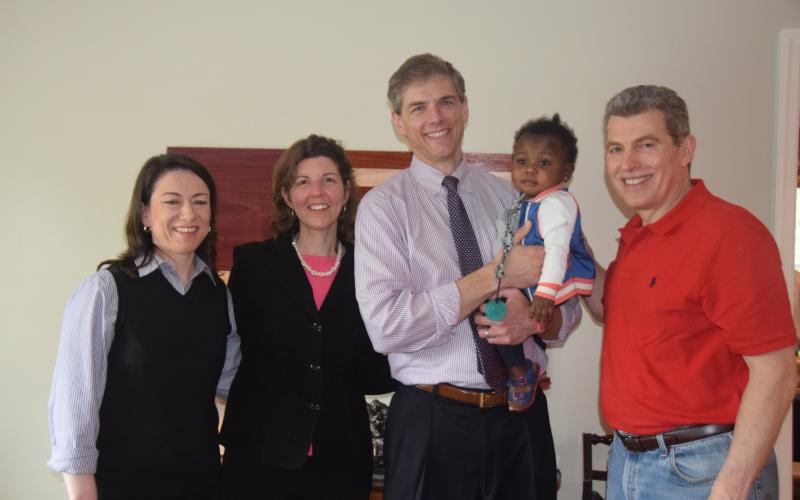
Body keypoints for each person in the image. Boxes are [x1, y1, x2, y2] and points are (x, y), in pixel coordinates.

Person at [355, 53, 582, 500]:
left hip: (522, 416)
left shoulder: (514, 197)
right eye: (418, 108)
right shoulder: (382, 209)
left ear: (465, 107)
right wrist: (494, 276)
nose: (436, 117)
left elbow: (568, 307)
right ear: (398, 122)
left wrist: (538, 320)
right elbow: (386, 327)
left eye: (446, 101)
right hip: (432, 421)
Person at [582, 85, 797, 499]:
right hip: (629, 461)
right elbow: (618, 312)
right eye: (615, 149)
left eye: (646, 145)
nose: (628, 164)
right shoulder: (638, 234)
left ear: (685, 149)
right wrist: (575, 258)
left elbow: (777, 374)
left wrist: (730, 489)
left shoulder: (729, 235)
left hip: (702, 471)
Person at [48, 153, 242, 500]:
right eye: (172, 201)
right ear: (145, 215)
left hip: (204, 484)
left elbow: (234, 385)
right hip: (122, 485)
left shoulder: (218, 295)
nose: (189, 214)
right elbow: (75, 406)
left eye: (200, 202)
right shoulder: (107, 289)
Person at [220, 134, 396, 500]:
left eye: (329, 180)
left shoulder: (372, 268)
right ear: (287, 196)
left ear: (346, 192)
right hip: (260, 457)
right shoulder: (253, 265)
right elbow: (230, 353)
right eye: (303, 182)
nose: (317, 193)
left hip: (342, 461)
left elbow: (374, 369)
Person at [492, 114, 595, 411]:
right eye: (522, 161)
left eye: (544, 163)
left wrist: (545, 296)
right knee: (492, 311)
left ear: (566, 172)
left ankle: (521, 371)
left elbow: (557, 251)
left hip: (551, 284)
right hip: (533, 282)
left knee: (493, 309)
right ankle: (522, 367)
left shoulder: (556, 204)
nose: (530, 170)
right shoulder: (527, 202)